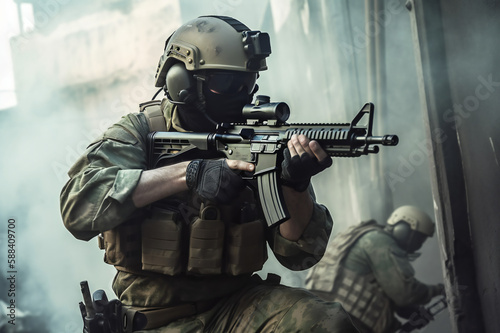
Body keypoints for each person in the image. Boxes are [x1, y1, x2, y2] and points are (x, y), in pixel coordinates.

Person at [60, 15, 359, 332]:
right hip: (156, 318)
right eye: (227, 85)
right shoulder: (141, 132)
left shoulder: (255, 138)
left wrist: (294, 185)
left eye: (247, 84)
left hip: (238, 307)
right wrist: (189, 174)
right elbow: (78, 208)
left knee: (325, 323)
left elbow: (300, 256)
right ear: (181, 81)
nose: (240, 95)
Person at [304, 205, 445, 333]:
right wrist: (438, 290)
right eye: (418, 238)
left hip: (322, 318)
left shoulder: (366, 236)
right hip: (341, 322)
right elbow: (404, 293)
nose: (418, 244)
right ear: (404, 228)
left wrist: (411, 313)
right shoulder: (379, 241)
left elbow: (386, 294)